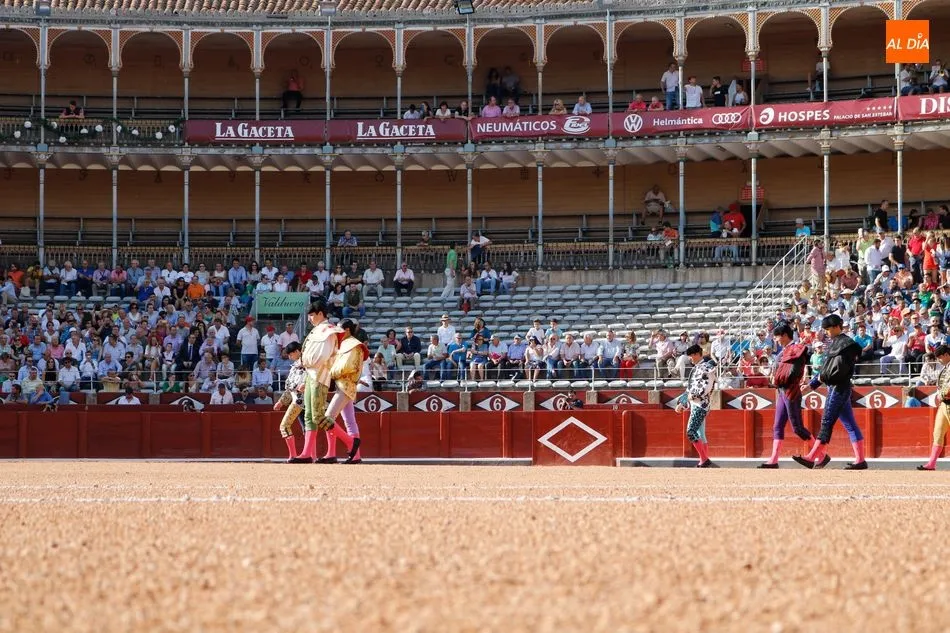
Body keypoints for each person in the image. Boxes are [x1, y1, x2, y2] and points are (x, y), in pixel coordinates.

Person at [794, 314, 866, 470]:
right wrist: (811, 385)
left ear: (835, 327)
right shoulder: (838, 343)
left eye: (828, 329)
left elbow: (835, 370)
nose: (826, 332)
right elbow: (827, 369)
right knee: (850, 424)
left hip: (839, 388)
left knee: (827, 421)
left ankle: (812, 457)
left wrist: (814, 384)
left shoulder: (845, 344)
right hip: (838, 387)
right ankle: (860, 460)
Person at [289, 300, 346, 464]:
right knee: (309, 415)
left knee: (318, 416)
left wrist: (305, 362)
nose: (309, 318)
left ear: (321, 314)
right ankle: (306, 453)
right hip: (311, 375)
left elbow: (322, 356)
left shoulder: (328, 330)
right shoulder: (317, 330)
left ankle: (350, 442)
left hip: (320, 376)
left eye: (312, 315)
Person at [758, 324, 814, 468]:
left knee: (797, 428)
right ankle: (773, 460)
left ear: (784, 335)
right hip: (782, 390)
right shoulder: (784, 351)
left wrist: (780, 379)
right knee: (777, 426)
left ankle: (820, 454)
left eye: (777, 337)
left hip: (791, 390)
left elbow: (795, 371)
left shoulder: (796, 349)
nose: (775, 340)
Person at [321, 318, 368, 464]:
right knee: (349, 422)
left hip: (345, 386)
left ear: (347, 330)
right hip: (343, 385)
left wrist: (331, 373)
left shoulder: (353, 345)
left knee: (328, 418)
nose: (337, 332)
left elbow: (348, 366)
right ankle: (355, 456)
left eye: (339, 329)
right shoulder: (346, 344)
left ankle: (348, 445)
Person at [674, 344, 717, 468]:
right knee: (701, 434)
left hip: (701, 405)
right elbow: (689, 389)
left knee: (691, 432)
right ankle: (704, 461)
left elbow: (707, 387)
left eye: (691, 356)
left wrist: (692, 397)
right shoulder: (697, 368)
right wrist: (682, 403)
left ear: (697, 354)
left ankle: (704, 459)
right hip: (696, 404)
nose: (690, 359)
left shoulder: (707, 368)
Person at [919, 345, 950, 470]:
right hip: (944, 405)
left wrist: (941, 395)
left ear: (946, 355)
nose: (938, 360)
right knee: (938, 433)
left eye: (939, 357)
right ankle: (931, 463)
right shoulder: (945, 367)